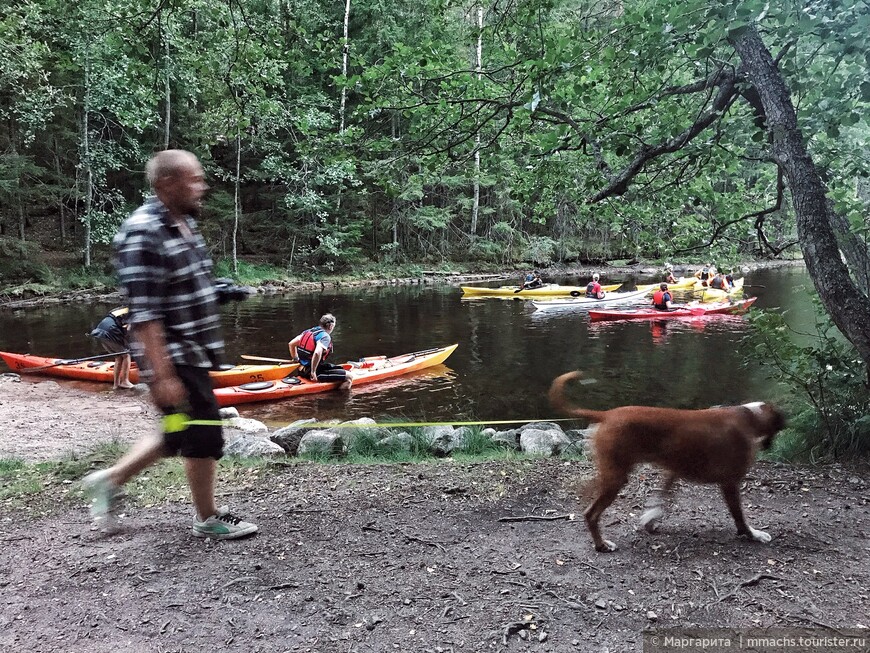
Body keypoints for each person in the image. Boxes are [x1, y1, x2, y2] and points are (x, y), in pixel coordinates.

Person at [82, 150, 257, 540]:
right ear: (165, 185)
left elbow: (184, 285)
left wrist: (221, 292)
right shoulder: (144, 232)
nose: (203, 186)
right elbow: (144, 314)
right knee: (205, 433)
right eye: (193, 180)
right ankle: (207, 517)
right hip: (173, 359)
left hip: (193, 352)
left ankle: (109, 481)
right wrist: (161, 376)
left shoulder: (182, 223)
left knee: (177, 432)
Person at [288, 313, 354, 390]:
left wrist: (296, 359)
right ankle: (336, 399)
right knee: (349, 377)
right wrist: (313, 372)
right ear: (331, 326)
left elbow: (291, 344)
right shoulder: (325, 336)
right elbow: (317, 352)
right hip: (313, 372)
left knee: (338, 368)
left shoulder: (308, 332)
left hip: (301, 370)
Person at [89, 306, 134, 389]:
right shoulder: (134, 312)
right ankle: (125, 381)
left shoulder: (124, 309)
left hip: (100, 330)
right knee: (126, 355)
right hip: (110, 331)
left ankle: (116, 385)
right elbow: (128, 329)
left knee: (119, 357)